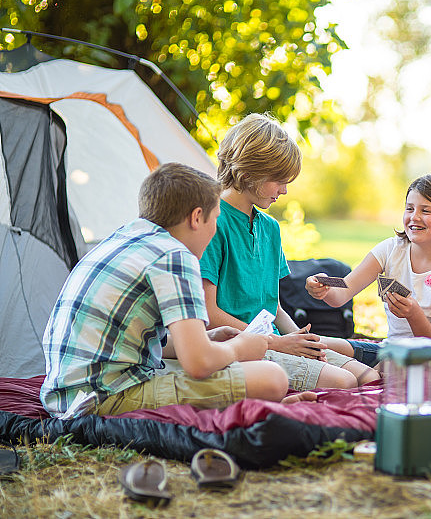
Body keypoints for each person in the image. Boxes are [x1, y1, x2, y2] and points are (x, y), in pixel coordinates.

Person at [41, 163, 301, 419]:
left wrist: (209, 339)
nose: (214, 231)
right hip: (102, 397)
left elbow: (134, 344)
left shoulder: (126, 238)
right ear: (197, 217)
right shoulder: (175, 255)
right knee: (271, 376)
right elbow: (198, 363)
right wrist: (239, 347)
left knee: (231, 369)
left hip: (67, 392)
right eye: (215, 220)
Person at [200, 113, 379, 390]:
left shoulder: (269, 228)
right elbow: (209, 314)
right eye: (278, 180)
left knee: (369, 376)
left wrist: (300, 339)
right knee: (343, 382)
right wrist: (280, 344)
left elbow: (274, 307)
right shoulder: (213, 221)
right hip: (238, 346)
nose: (284, 191)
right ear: (248, 173)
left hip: (276, 341)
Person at [305, 173, 431, 364]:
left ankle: (370, 375)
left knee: (384, 367)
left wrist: (414, 314)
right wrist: (324, 286)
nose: (414, 217)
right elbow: (342, 292)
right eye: (409, 208)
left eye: (426, 211)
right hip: (392, 349)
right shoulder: (391, 249)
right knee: (316, 344)